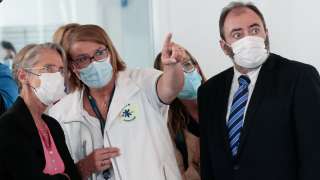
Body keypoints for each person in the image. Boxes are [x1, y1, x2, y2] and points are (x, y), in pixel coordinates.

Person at [198, 2, 320, 180]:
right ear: (224, 46)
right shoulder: (209, 92)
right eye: (237, 34)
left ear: (266, 33)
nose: (248, 38)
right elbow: (208, 162)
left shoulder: (299, 77)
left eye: (254, 30)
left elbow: (314, 153)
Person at [48, 24, 185, 180]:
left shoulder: (141, 82)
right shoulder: (62, 113)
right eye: (82, 59)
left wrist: (173, 66)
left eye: (99, 52)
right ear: (73, 67)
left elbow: (170, 88)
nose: (93, 62)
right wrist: (83, 167)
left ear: (110, 52)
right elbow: (58, 170)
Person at [0, 43, 81, 180]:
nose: (57, 76)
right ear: (23, 76)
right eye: (48, 68)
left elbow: (74, 175)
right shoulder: (8, 125)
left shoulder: (52, 125)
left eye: (61, 70)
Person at [154, 47, 205, 180]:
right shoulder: (167, 124)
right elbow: (177, 173)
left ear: (197, 67)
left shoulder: (225, 101)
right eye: (173, 69)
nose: (183, 74)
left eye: (187, 64)